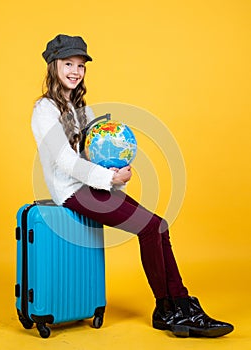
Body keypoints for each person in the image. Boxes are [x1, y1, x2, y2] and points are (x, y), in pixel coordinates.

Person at [31, 34, 234, 338]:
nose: (75, 71)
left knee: (159, 225)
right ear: (53, 66)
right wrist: (109, 179)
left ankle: (169, 309)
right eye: (68, 64)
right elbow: (63, 161)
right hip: (72, 192)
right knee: (150, 228)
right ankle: (176, 307)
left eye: (81, 66)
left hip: (91, 186)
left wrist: (110, 164)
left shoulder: (79, 108)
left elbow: (85, 155)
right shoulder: (44, 110)